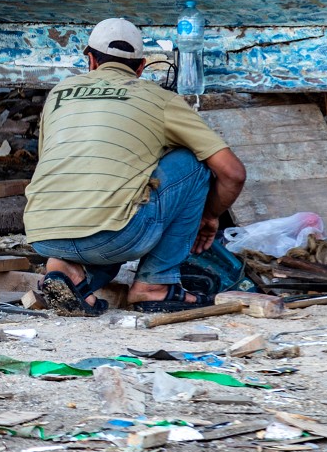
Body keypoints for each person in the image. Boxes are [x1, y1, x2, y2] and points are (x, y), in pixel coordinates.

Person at [23, 17, 246, 315]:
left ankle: (68, 272)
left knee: (105, 189)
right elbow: (232, 172)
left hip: (43, 234)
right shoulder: (160, 98)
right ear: (140, 67)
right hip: (114, 237)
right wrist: (209, 215)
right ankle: (155, 284)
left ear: (90, 59)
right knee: (192, 161)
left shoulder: (58, 95)